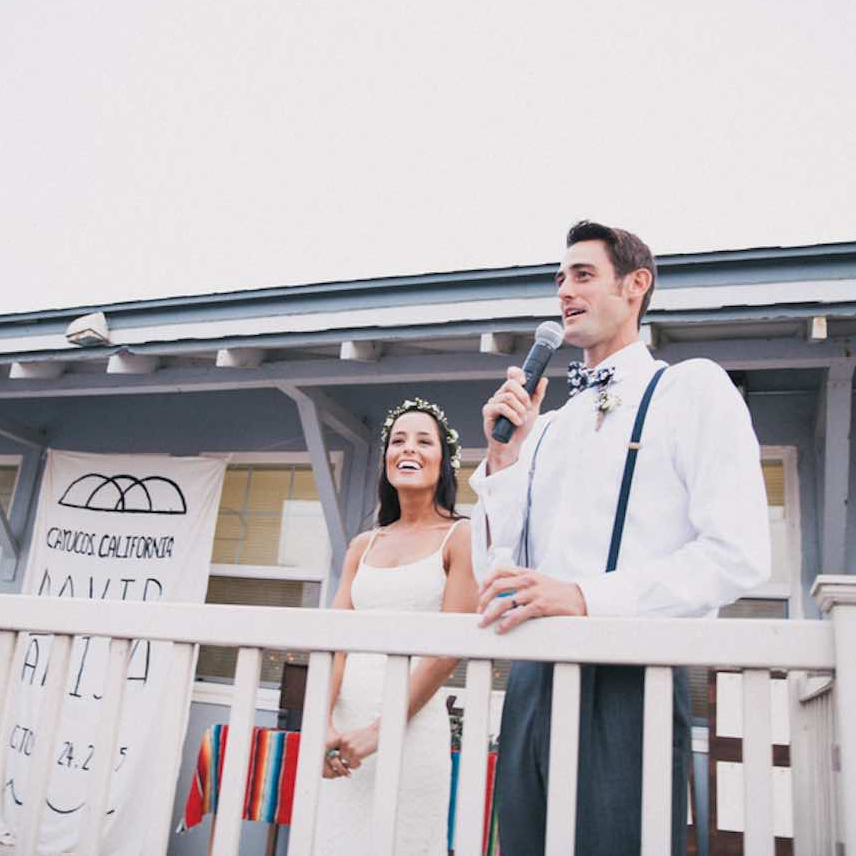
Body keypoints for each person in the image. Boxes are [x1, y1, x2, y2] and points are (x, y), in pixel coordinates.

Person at [470, 220, 771, 856]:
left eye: (583, 275)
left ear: (636, 285)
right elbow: (497, 571)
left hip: (631, 680)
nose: (565, 292)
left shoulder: (689, 389)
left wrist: (586, 596)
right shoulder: (548, 427)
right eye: (559, 280)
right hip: (530, 683)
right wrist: (503, 460)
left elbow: (738, 555)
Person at [313, 397, 478, 855]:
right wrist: (322, 721)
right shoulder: (362, 545)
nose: (409, 448)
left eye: (424, 441)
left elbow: (448, 650)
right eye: (398, 439)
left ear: (444, 462)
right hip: (342, 732)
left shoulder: (461, 536)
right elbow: (334, 642)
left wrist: (380, 730)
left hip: (411, 730)